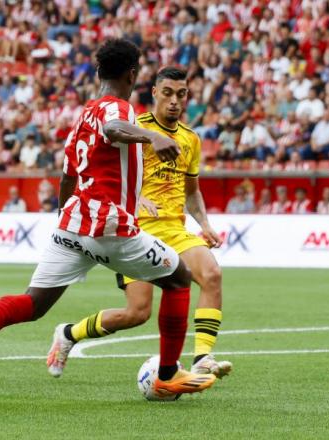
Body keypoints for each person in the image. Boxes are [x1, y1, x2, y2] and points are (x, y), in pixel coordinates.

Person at [0, 39, 217, 398]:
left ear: (99, 71)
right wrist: (151, 137)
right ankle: (166, 374)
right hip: (111, 227)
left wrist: (65, 216)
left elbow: (68, 174)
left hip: (72, 225)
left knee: (34, 303)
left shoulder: (83, 114)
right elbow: (116, 129)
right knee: (179, 279)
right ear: (133, 74)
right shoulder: (119, 109)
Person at [47, 67, 231, 379]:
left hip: (174, 230)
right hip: (136, 229)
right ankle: (68, 334)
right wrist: (134, 198)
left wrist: (205, 223)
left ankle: (202, 358)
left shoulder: (191, 139)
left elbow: (192, 192)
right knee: (137, 313)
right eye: (168, 93)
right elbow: (108, 166)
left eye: (181, 94)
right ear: (155, 93)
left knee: (211, 274)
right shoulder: (135, 128)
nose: (174, 101)